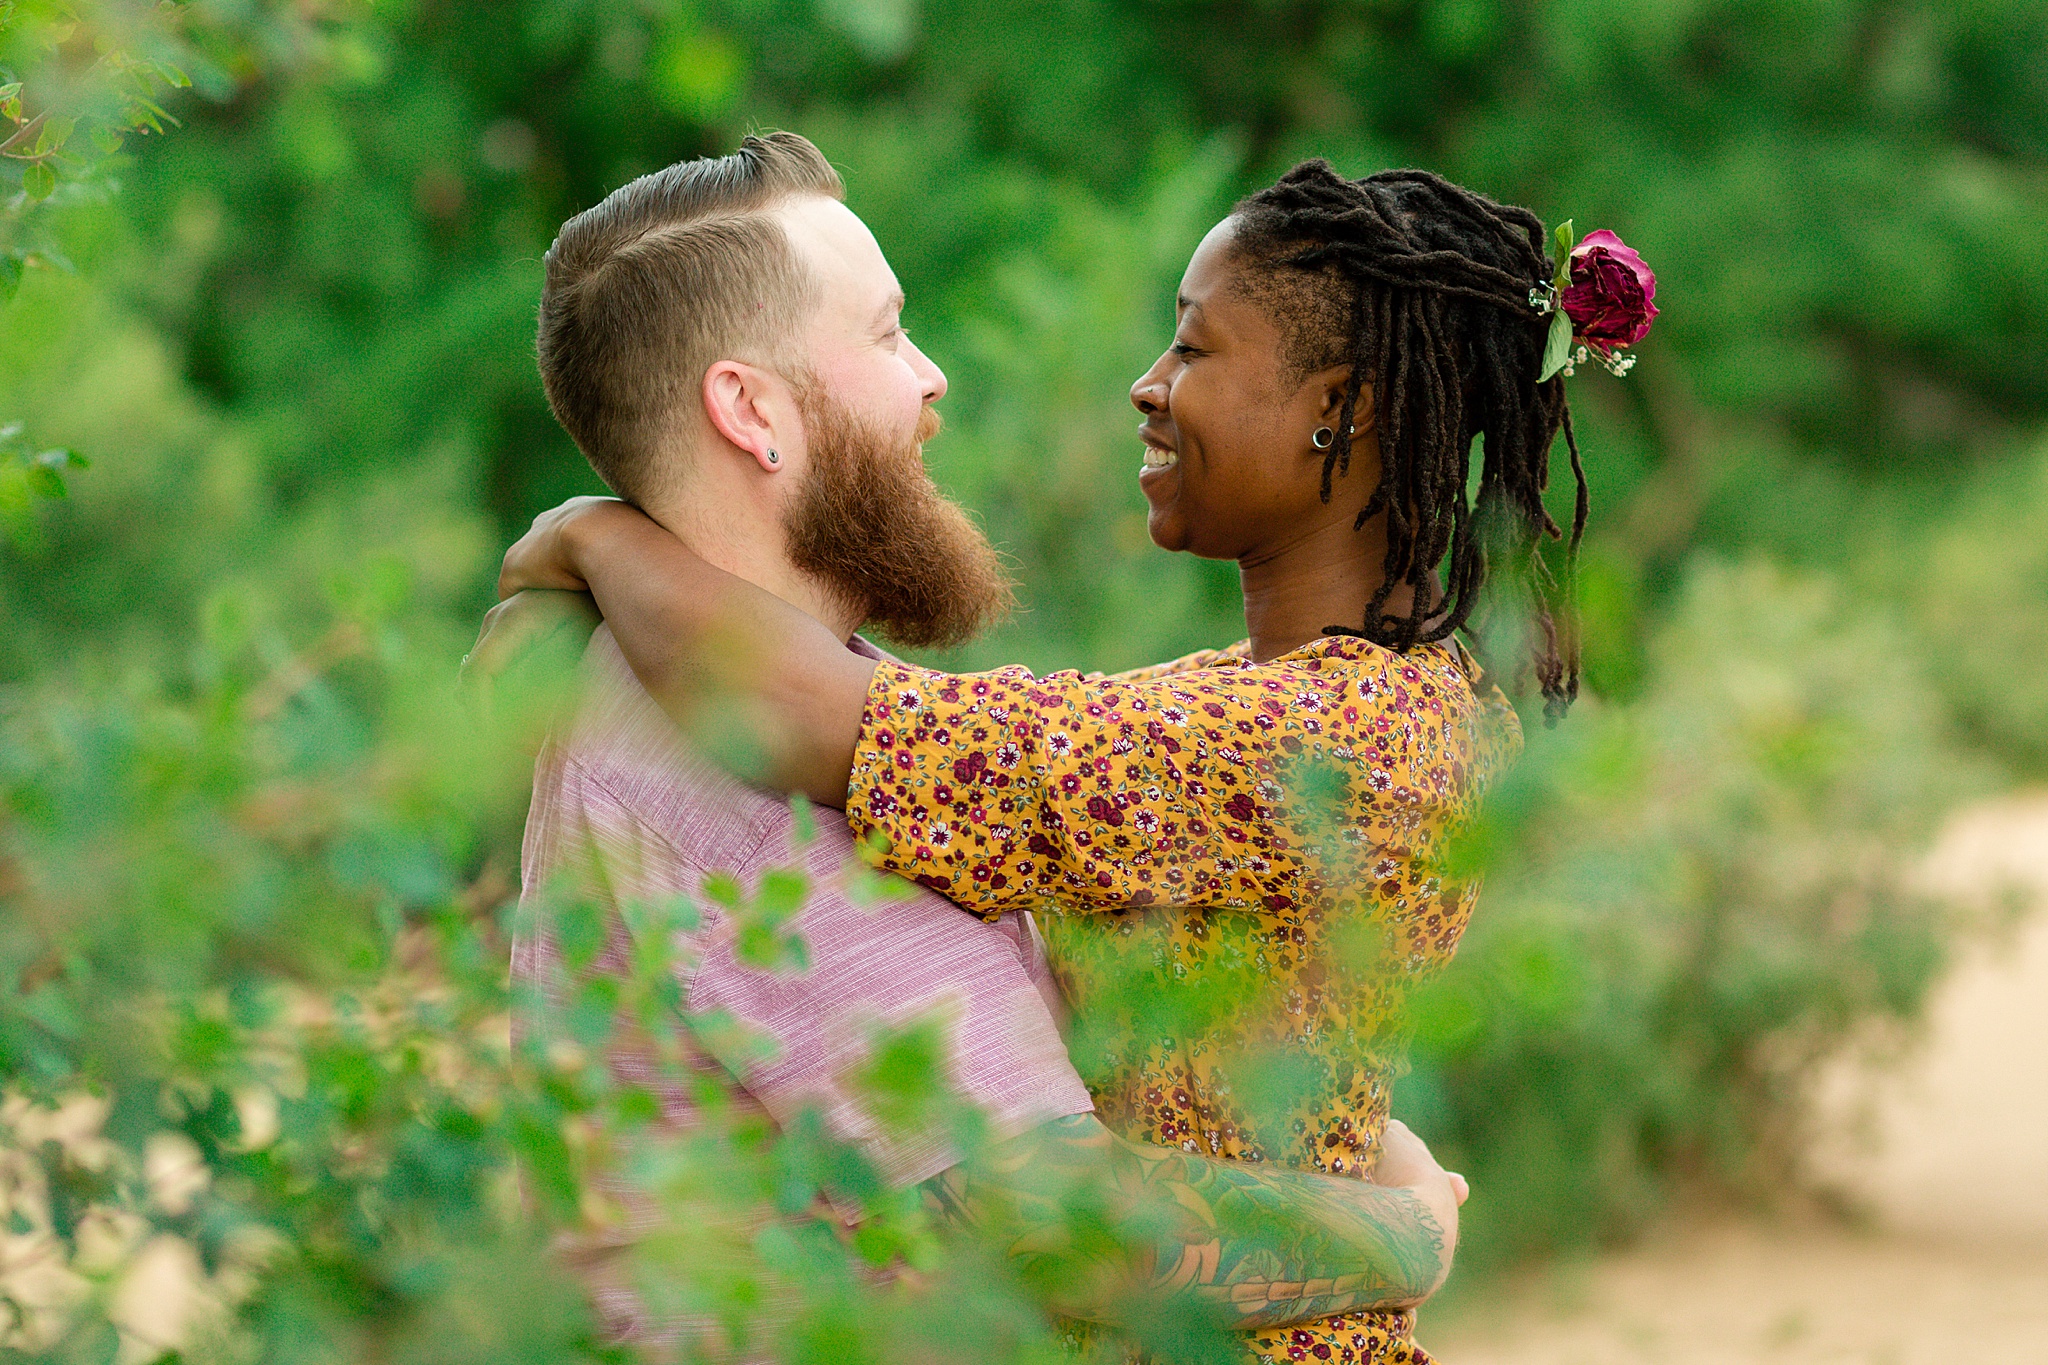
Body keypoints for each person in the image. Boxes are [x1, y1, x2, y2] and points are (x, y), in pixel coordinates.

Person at [494, 152, 1590, 1365]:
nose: (933, 378)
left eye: (1193, 350)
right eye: (890, 333)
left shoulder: (1337, 732)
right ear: (750, 410)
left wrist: (590, 536)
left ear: (1341, 406)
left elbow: (905, 737)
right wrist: (1404, 1225)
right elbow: (1057, 1225)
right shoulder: (731, 751)